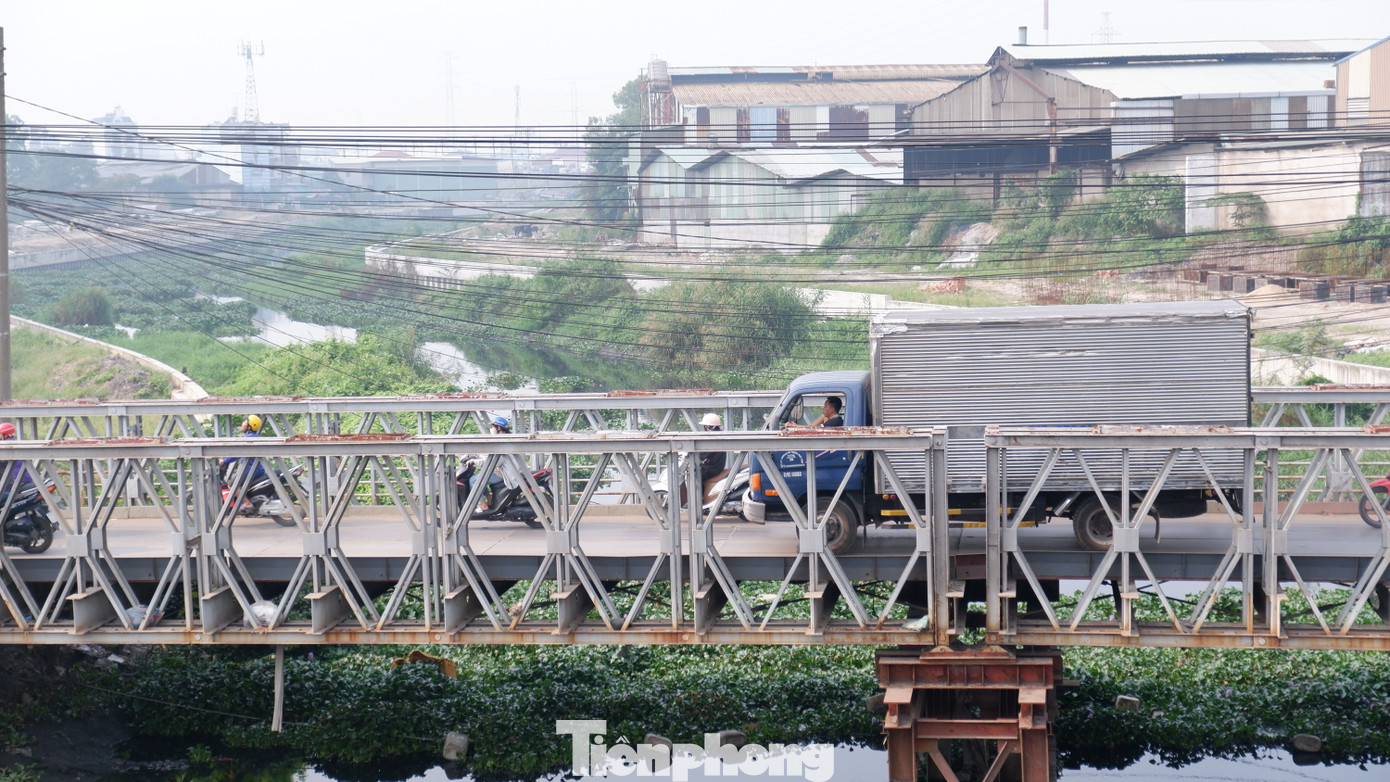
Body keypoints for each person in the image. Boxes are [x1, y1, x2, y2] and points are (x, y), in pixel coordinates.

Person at [468, 415, 512, 510]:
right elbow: (493, 456)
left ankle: (483, 505)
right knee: (479, 477)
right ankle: (489, 500)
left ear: (498, 427)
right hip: (501, 470)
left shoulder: (502, 441)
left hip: (502, 474)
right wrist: (479, 456)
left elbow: (495, 462)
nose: (491, 429)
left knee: (473, 480)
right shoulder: (504, 438)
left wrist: (475, 462)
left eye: (492, 426)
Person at [696, 412, 729, 505]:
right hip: (716, 466)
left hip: (712, 468)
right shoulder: (718, 435)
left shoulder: (714, 438)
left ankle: (698, 499)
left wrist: (694, 453)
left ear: (708, 427)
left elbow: (703, 455)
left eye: (704, 427)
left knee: (695, 475)